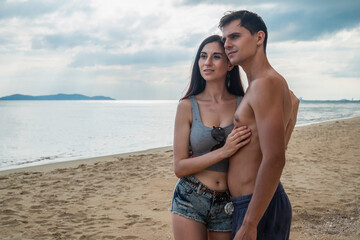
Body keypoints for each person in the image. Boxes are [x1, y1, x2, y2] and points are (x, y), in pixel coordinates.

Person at [219, 10, 300, 239]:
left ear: (259, 38)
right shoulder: (262, 83)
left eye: (234, 36)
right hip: (255, 203)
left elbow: (275, 158)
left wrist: (249, 223)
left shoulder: (265, 83)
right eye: (225, 39)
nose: (227, 44)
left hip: (255, 207)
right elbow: (292, 105)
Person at [170, 35, 252, 240]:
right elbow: (179, 167)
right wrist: (225, 151)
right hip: (190, 196)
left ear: (230, 64)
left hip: (228, 202)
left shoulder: (245, 103)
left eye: (216, 57)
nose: (207, 62)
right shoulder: (187, 106)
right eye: (203, 56)